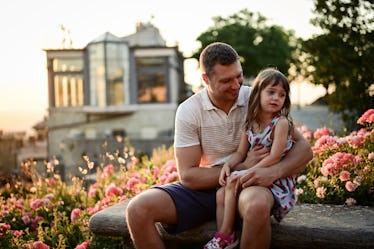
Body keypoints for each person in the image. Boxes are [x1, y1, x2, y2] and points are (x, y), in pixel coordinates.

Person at [126, 42, 313, 249]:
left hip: (250, 184)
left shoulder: (258, 97)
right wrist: (240, 167)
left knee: (257, 206)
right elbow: (188, 176)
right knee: (137, 209)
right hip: (206, 189)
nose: (236, 85)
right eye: (226, 80)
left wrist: (273, 171)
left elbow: (304, 149)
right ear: (206, 79)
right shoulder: (189, 110)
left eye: (238, 76)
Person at [204, 68, 299, 249]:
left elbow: (274, 157)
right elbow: (240, 153)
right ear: (258, 93)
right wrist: (228, 165)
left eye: (281, 95)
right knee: (221, 192)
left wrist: (247, 171)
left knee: (232, 182)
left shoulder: (281, 123)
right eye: (271, 92)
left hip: (273, 178)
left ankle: (224, 236)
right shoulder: (250, 123)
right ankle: (227, 234)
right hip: (254, 172)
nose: (276, 98)